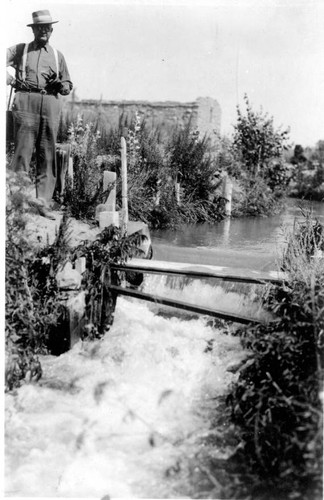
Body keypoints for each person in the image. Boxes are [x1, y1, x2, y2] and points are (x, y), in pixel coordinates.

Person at [7, 10, 73, 218]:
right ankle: (17, 201)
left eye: (47, 27)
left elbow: (68, 85)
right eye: (39, 27)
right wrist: (10, 79)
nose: (44, 31)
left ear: (51, 30)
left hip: (50, 104)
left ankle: (42, 203)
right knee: (22, 153)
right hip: (26, 101)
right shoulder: (21, 50)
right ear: (33, 29)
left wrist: (60, 85)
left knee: (48, 153)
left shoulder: (57, 55)